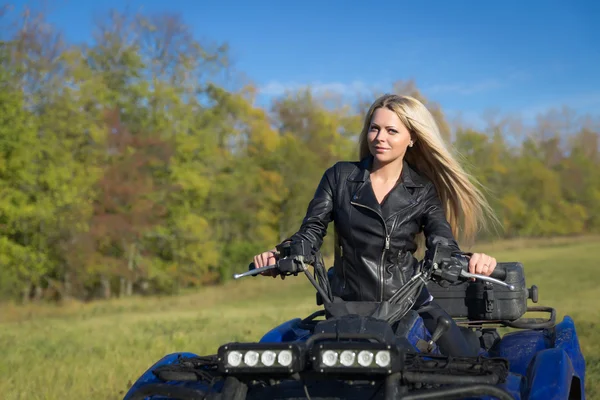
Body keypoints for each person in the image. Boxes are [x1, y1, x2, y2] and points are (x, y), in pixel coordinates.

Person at [253, 94, 499, 356]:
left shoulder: (423, 190)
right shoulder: (339, 177)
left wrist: (471, 261)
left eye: (392, 131)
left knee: (466, 365)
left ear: (412, 138)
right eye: (375, 128)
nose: (380, 137)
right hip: (346, 308)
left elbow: (443, 242)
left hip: (409, 304)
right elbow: (311, 230)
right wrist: (282, 254)